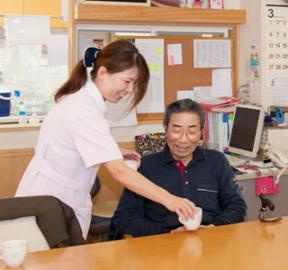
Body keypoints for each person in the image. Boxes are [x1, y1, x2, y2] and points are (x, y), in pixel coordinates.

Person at [15, 40, 195, 239]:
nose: (129, 89)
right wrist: (170, 200)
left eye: (134, 84)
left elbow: (79, 140)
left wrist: (114, 149)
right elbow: (119, 172)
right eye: (127, 81)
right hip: (51, 201)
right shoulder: (84, 110)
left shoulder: (82, 101)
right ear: (102, 73)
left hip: (55, 197)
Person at [110, 99, 247, 239]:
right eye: (176, 130)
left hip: (209, 243)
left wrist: (213, 228)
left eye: (192, 131)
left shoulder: (217, 161)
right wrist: (168, 234)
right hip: (161, 247)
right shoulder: (146, 166)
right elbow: (124, 219)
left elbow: (236, 207)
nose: (183, 139)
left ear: (201, 131)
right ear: (165, 128)